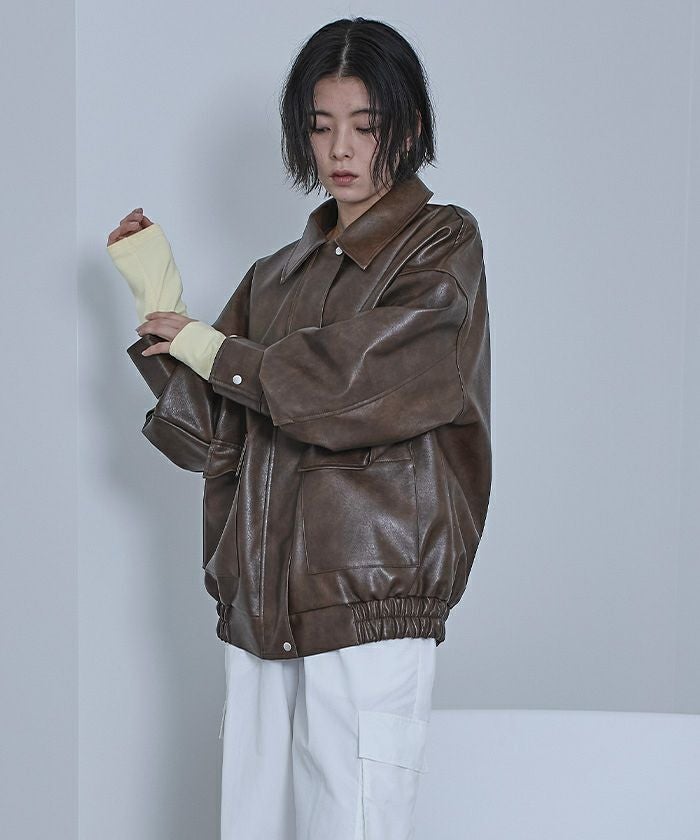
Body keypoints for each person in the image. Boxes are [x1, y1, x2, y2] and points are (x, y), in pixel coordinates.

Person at [106, 16, 491, 840]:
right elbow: (211, 441)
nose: (340, 149)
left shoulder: (441, 246)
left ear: (410, 127)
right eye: (321, 127)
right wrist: (158, 307)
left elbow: (355, 385)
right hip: (261, 611)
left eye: (365, 125)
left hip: (367, 601)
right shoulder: (275, 277)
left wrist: (213, 347)